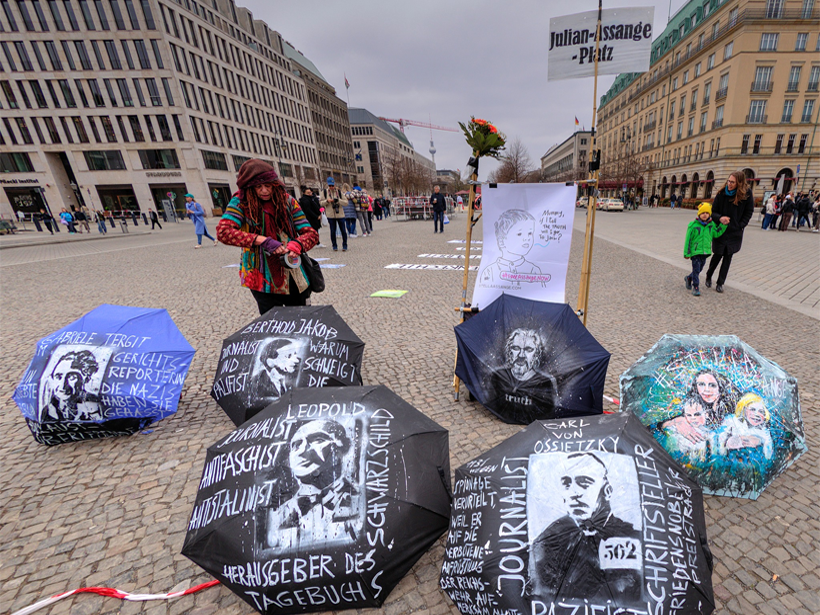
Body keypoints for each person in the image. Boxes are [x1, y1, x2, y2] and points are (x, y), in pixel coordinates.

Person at [530, 452, 642, 604]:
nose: (574, 493)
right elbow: (539, 593)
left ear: (607, 491)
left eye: (584, 482)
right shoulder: (548, 539)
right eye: (566, 483)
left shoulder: (631, 538)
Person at [216, 159, 319, 315]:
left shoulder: (287, 201)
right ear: (250, 187)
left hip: (293, 274)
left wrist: (296, 245)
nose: (264, 191)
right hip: (261, 278)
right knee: (272, 327)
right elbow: (224, 232)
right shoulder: (241, 203)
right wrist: (262, 240)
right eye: (258, 187)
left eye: (268, 186)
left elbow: (310, 233)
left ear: (274, 184)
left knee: (301, 321)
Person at [264, 419, 360, 551]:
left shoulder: (361, 501)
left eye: (317, 439)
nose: (302, 450)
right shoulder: (279, 515)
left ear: (342, 446)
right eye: (296, 445)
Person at [488, 328, 557, 423]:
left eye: (528, 350)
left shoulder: (545, 383)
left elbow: (547, 412)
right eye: (516, 348)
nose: (521, 355)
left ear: (536, 354)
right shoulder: (498, 377)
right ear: (509, 351)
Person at [705, 171, 754, 293]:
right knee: (717, 256)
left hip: (734, 232)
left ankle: (720, 282)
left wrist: (740, 225)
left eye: (732, 182)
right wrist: (720, 218)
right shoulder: (722, 194)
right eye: (729, 181)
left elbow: (749, 212)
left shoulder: (747, 194)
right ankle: (709, 275)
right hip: (720, 231)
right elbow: (713, 211)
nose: (729, 184)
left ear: (739, 183)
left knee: (727, 258)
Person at [661, 369, 738, 444]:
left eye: (712, 385)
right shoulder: (690, 405)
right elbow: (659, 426)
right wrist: (676, 421)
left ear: (720, 387)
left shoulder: (731, 406)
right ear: (696, 387)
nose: (706, 389)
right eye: (701, 384)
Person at [479, 209, 543, 285]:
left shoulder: (533, 270)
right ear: (501, 241)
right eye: (519, 234)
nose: (527, 238)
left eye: (530, 233)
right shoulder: (490, 271)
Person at [39, 350, 103, 422]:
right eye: (58, 377)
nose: (62, 386)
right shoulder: (49, 410)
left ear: (86, 379)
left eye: (72, 377)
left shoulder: (94, 405)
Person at [684, 203, 727, 297]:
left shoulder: (711, 225)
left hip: (705, 252)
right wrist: (686, 253)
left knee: (700, 269)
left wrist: (723, 225)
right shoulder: (693, 225)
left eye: (707, 213)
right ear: (699, 214)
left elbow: (716, 233)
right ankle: (695, 287)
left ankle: (688, 278)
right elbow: (688, 240)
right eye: (703, 213)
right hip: (695, 252)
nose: (705, 215)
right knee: (696, 270)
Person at [718, 393, 773, 459]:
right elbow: (721, 439)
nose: (757, 414)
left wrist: (760, 441)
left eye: (761, 411)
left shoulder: (764, 432)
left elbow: (768, 452)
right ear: (743, 409)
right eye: (752, 409)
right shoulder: (732, 421)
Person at [321, 177, 348, 252]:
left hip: (340, 214)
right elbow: (320, 202)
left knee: (343, 230)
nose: (331, 187)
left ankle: (345, 245)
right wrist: (327, 201)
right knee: (333, 231)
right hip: (330, 214)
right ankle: (334, 245)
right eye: (330, 186)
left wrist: (338, 200)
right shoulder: (324, 192)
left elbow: (346, 202)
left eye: (332, 185)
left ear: (334, 185)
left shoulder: (339, 192)